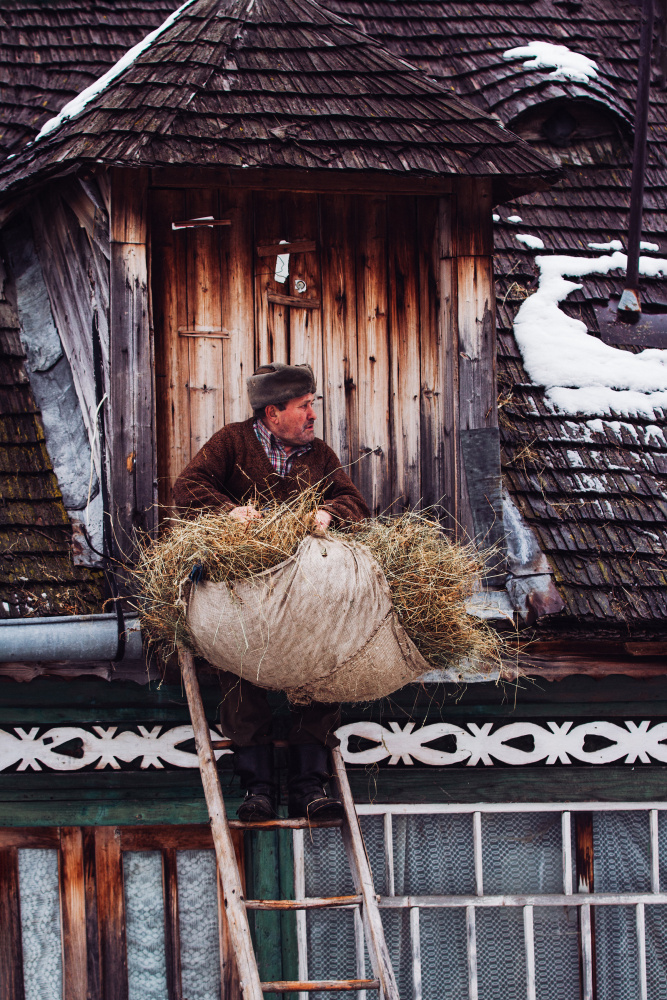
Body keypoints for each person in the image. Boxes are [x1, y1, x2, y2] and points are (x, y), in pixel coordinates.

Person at [173, 362, 370, 822]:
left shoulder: (319, 454)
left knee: (322, 671)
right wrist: (230, 512)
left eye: (311, 406)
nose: (312, 415)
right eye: (304, 407)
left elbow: (354, 502)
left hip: (304, 596)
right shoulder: (232, 442)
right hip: (244, 594)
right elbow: (187, 488)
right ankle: (258, 790)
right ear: (272, 412)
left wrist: (327, 514)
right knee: (238, 671)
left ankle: (309, 788)